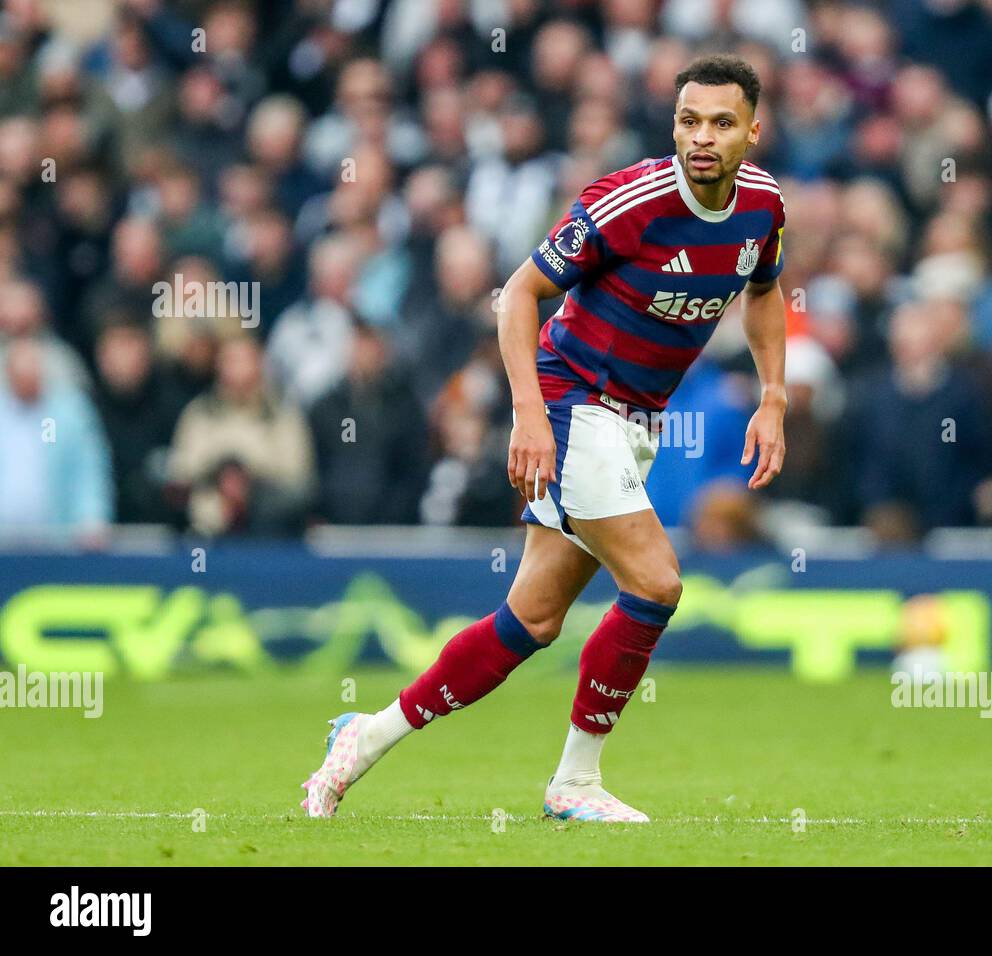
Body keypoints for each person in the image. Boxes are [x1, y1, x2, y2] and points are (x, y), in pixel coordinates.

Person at [301, 54, 789, 823]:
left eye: (722, 123)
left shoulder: (763, 206)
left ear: (752, 132)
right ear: (673, 125)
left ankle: (362, 739)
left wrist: (773, 397)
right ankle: (575, 783)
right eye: (689, 120)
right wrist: (530, 416)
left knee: (530, 619)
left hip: (632, 422)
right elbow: (518, 296)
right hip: (572, 400)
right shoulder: (628, 201)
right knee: (657, 582)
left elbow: (764, 292)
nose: (703, 137)